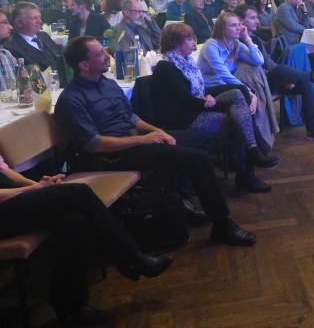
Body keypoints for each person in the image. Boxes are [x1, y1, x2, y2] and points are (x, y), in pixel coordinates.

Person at [55, 36, 257, 246]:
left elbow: (131, 118)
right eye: (100, 54)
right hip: (114, 156)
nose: (107, 56)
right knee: (198, 159)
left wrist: (157, 131)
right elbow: (95, 144)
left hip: (134, 139)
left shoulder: (108, 84)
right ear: (84, 65)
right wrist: (143, 140)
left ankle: (183, 199)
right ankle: (222, 225)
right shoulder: (72, 98)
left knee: (202, 138)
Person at [0, 165, 172, 323]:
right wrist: (33, 189)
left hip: (11, 202)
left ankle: (70, 307)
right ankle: (132, 258)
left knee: (75, 221)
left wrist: (39, 185)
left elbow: (5, 170)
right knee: (78, 192)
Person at [152, 23, 277, 193]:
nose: (194, 42)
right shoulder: (165, 67)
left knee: (238, 93)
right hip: (186, 119)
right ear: (175, 43)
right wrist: (206, 101)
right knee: (238, 120)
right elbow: (184, 100)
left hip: (196, 107)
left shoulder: (187, 61)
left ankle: (253, 150)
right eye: (189, 39)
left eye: (193, 37)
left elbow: (196, 92)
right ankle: (249, 166)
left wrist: (206, 97)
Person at [235, 5, 314, 143]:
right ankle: (312, 76)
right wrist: (281, 76)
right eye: (252, 18)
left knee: (307, 86)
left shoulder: (255, 39)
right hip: (255, 86)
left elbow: (269, 63)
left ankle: (313, 130)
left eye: (256, 17)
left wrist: (285, 78)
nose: (257, 21)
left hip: (269, 80)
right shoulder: (238, 43)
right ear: (240, 21)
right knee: (281, 70)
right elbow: (251, 71)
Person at [5, 1, 65, 73]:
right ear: (19, 23)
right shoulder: (11, 48)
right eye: (34, 18)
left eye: (39, 17)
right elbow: (31, 75)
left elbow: (61, 58)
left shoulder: (44, 35)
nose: (40, 21)